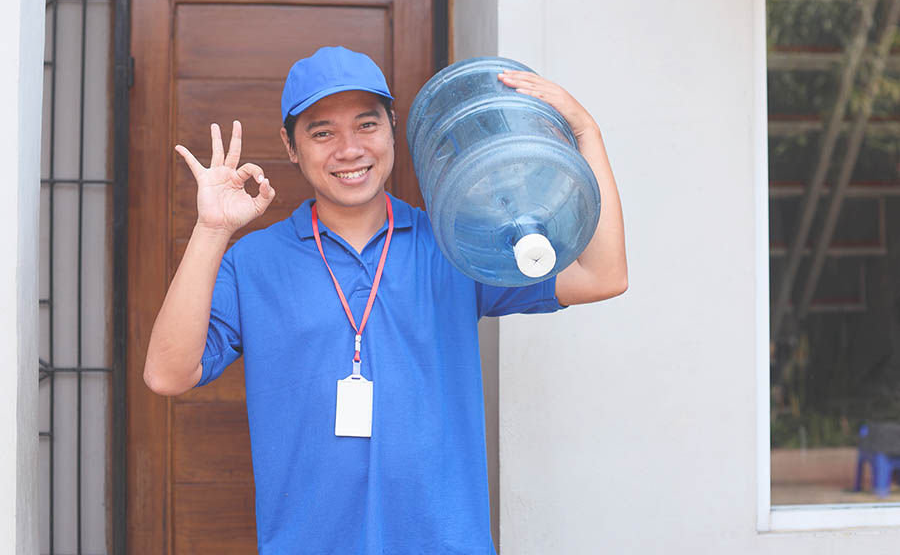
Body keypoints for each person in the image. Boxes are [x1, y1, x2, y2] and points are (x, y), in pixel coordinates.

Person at [143, 45, 627, 554]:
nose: (349, 149)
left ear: (394, 128)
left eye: (367, 125)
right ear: (290, 146)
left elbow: (602, 275)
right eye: (322, 132)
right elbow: (167, 374)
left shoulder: (454, 242)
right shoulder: (253, 261)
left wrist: (585, 135)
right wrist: (211, 230)